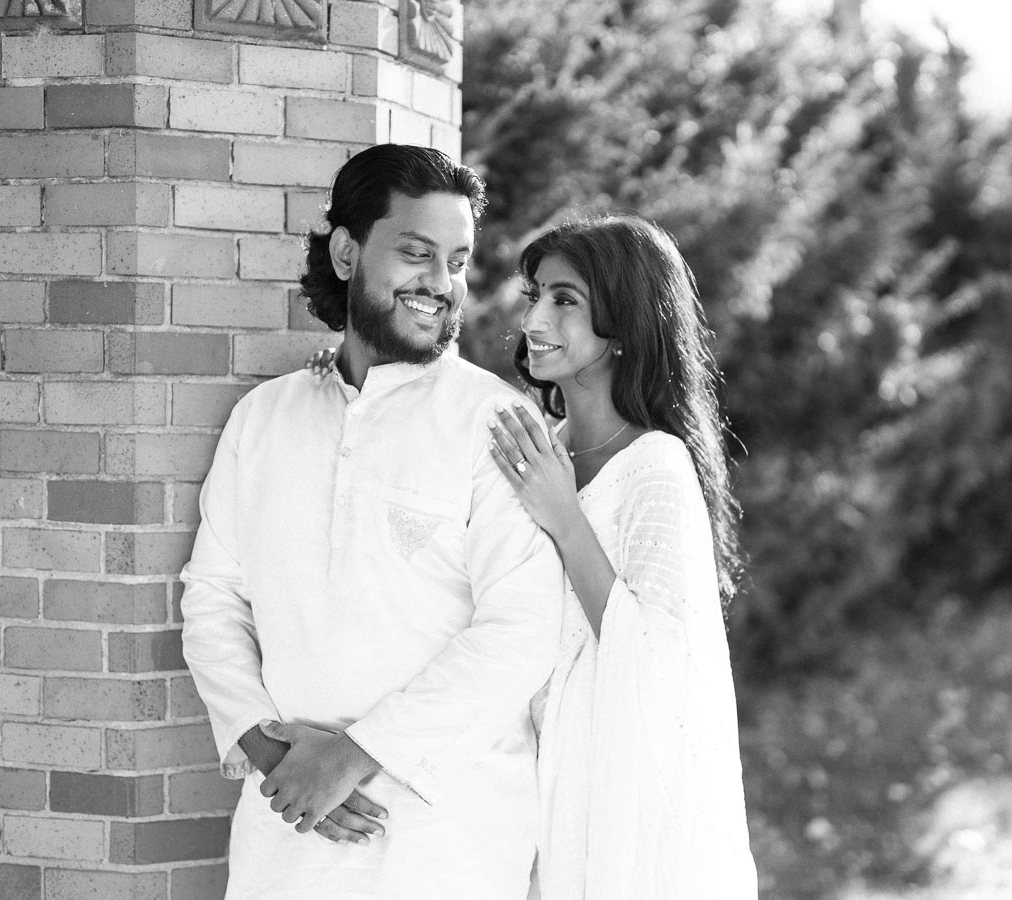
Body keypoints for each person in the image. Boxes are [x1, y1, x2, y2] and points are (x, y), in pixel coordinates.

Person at [310, 212, 758, 898]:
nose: (537, 317)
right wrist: (334, 385)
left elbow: (669, 665)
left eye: (565, 300)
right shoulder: (534, 441)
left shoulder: (655, 468)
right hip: (523, 778)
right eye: (536, 296)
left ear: (623, 325)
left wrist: (566, 520)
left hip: (614, 791)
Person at [180, 143, 564, 900]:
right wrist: (271, 753)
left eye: (456, 262)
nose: (440, 284)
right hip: (284, 835)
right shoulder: (263, 418)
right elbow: (212, 599)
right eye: (417, 254)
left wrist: (354, 755)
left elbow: (523, 631)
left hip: (445, 847)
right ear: (349, 252)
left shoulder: (493, 421)